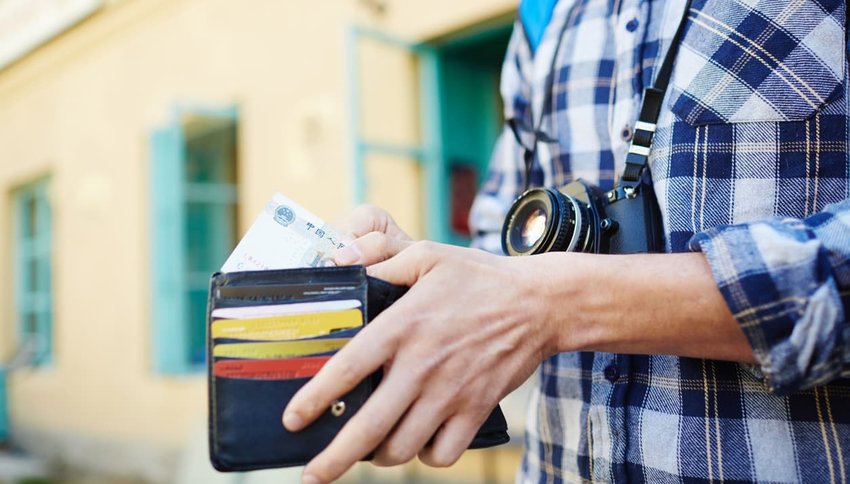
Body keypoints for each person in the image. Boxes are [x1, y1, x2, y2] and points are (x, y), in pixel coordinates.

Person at [283, 0, 850, 482]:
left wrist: (556, 303)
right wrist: (428, 286)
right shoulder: (542, 16)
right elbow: (503, 239)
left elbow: (529, 294)